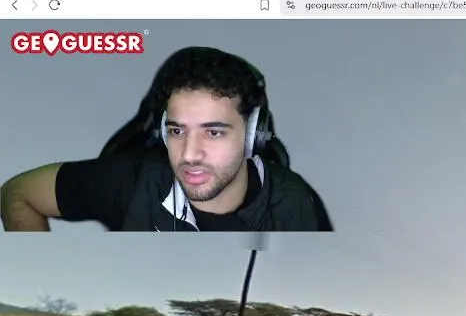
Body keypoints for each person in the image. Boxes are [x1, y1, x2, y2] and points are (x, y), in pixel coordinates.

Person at [0, 46, 332, 231]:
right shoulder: (129, 180)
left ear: (252, 137)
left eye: (213, 132)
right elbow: (18, 192)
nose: (189, 154)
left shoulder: (296, 204)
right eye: (177, 130)